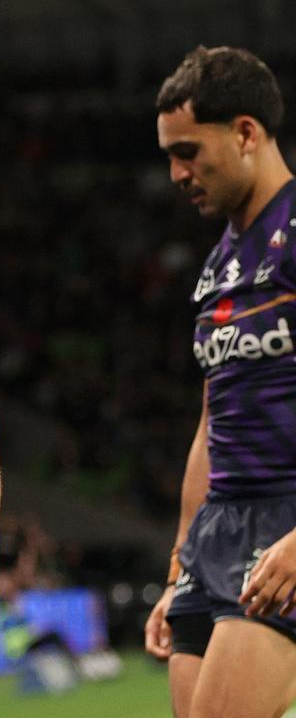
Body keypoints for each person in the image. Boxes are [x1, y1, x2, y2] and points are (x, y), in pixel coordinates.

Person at [144, 46, 296, 718]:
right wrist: (180, 565)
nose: (176, 174)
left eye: (187, 152)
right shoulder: (218, 264)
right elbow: (212, 424)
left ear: (245, 132)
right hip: (217, 532)